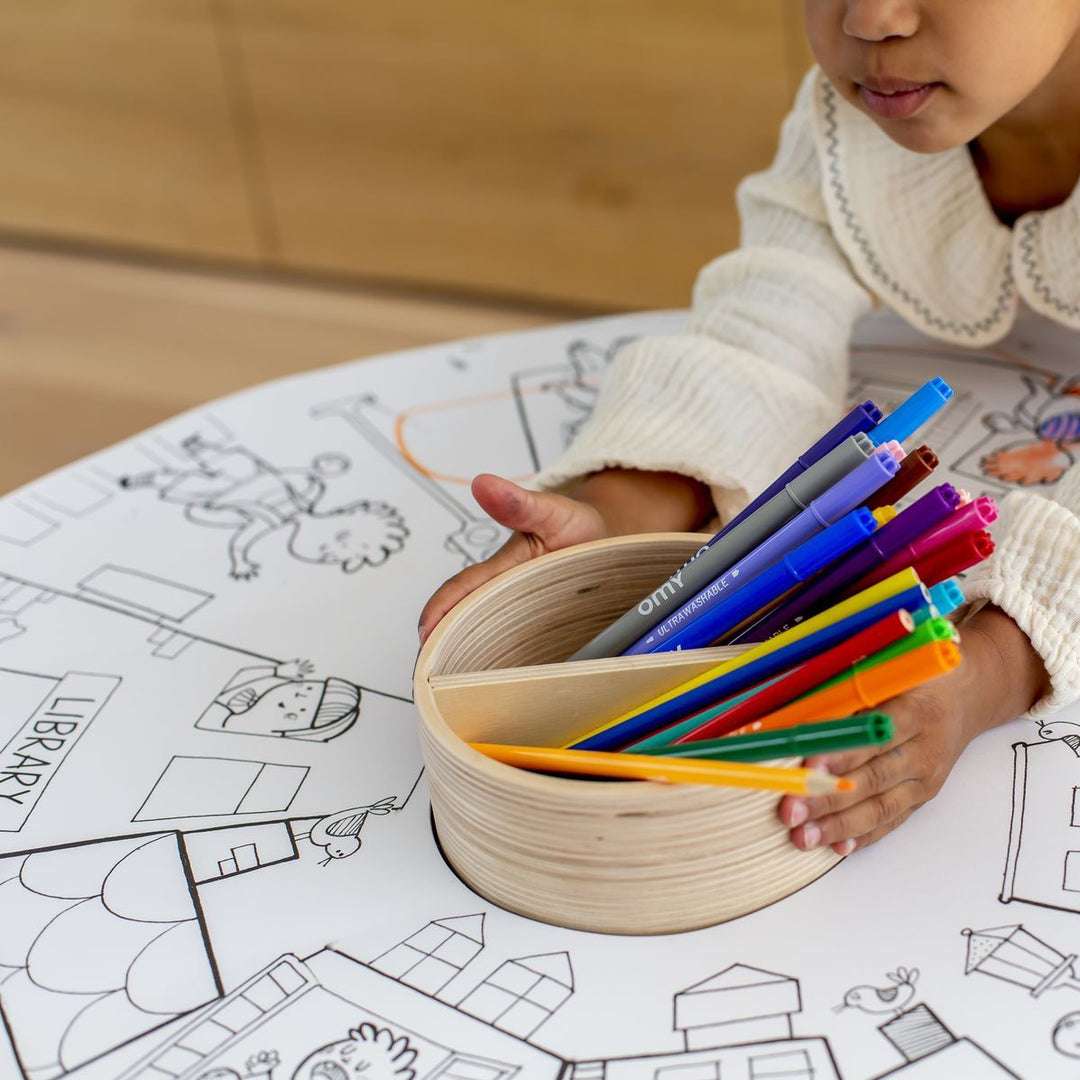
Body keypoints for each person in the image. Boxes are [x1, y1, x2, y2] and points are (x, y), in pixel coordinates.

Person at [420, 0, 1079, 858]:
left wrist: (984, 671)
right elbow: (762, 326)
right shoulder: (861, 112)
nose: (872, 19)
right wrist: (616, 517)